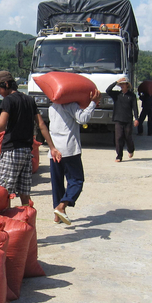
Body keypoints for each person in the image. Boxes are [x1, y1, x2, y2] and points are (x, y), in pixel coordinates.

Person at [0, 70, 60, 207]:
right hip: (27, 153)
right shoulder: (29, 100)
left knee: (1, 189)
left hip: (12, 152)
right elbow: (41, 124)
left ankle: (5, 220)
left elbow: (2, 126)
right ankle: (26, 221)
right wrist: (52, 147)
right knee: (24, 191)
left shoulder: (8, 101)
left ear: (7, 84)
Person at [48, 89, 100, 225]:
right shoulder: (69, 105)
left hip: (54, 149)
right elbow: (83, 119)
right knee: (76, 180)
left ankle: (57, 215)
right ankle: (61, 206)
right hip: (69, 149)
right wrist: (93, 103)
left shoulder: (52, 107)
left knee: (57, 182)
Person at [106, 77, 139, 162]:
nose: (121, 86)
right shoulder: (117, 95)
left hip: (128, 119)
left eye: (123, 84)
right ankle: (119, 156)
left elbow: (135, 108)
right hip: (118, 119)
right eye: (120, 84)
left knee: (128, 137)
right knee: (119, 137)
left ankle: (131, 149)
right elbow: (108, 90)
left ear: (127, 85)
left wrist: (136, 118)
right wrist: (116, 81)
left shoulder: (132, 96)